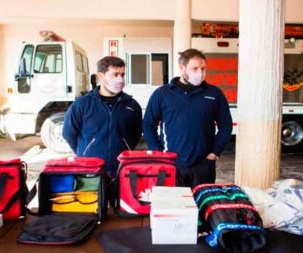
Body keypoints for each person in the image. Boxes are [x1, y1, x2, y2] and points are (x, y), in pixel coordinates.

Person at [143, 48, 232, 189]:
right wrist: (159, 153)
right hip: (172, 164)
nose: (200, 72)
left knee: (202, 206)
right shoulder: (162, 94)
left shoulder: (214, 93)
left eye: (203, 68)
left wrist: (215, 152)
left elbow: (226, 125)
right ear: (182, 68)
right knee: (175, 207)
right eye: (195, 68)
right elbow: (148, 125)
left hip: (204, 165)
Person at [62, 56, 142, 186]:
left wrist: (124, 148)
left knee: (121, 205)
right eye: (115, 74)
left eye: (122, 74)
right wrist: (84, 152)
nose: (120, 79)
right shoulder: (82, 105)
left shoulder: (132, 106)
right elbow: (69, 134)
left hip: (121, 168)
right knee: (93, 205)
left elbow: (135, 134)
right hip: (90, 169)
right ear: (101, 76)